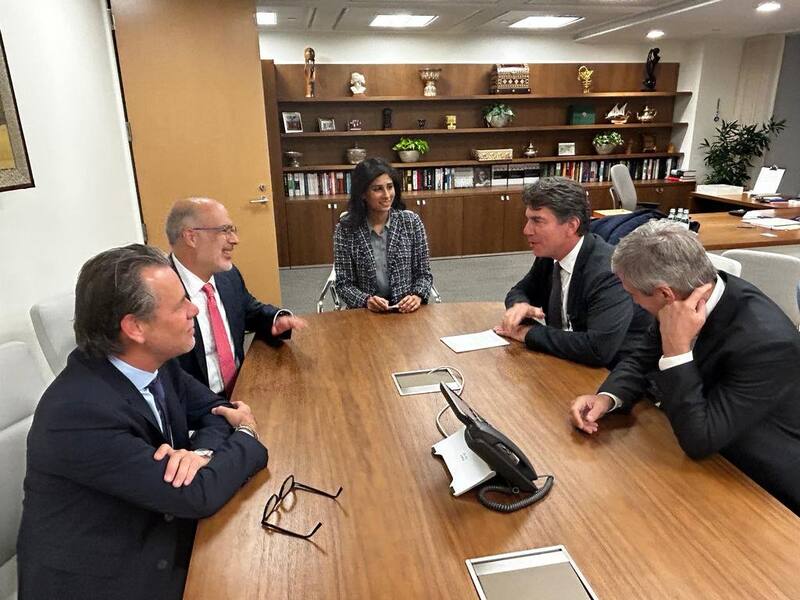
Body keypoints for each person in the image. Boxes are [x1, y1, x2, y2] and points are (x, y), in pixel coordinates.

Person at [17, 245, 268, 599]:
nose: (194, 310)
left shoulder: (155, 362)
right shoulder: (79, 413)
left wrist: (203, 454)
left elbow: (214, 409)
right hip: (106, 580)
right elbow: (197, 494)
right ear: (135, 327)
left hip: (157, 524)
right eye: (180, 303)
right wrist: (246, 434)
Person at [570, 221, 800, 515]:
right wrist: (608, 397)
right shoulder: (688, 293)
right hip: (704, 455)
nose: (633, 303)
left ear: (665, 294)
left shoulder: (768, 344)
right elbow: (643, 357)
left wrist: (677, 350)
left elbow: (700, 439)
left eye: (633, 296)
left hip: (761, 486)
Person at [495, 177, 652, 367]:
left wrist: (527, 333)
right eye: (528, 220)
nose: (526, 230)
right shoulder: (550, 254)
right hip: (568, 361)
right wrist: (519, 305)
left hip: (615, 375)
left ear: (571, 225)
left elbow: (597, 350)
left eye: (537, 221)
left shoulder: (609, 272)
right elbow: (519, 291)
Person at [166, 197, 306, 396]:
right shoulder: (160, 293)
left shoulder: (227, 275)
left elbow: (248, 309)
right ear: (191, 237)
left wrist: (275, 319)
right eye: (225, 230)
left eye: (233, 230)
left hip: (243, 389)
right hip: (197, 409)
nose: (234, 240)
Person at [334, 157, 433, 313]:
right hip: (367, 312)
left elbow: (424, 274)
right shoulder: (346, 230)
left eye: (390, 187)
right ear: (362, 194)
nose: (387, 195)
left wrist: (418, 295)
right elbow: (343, 284)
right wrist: (366, 300)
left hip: (406, 311)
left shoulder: (411, 222)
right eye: (377, 189)